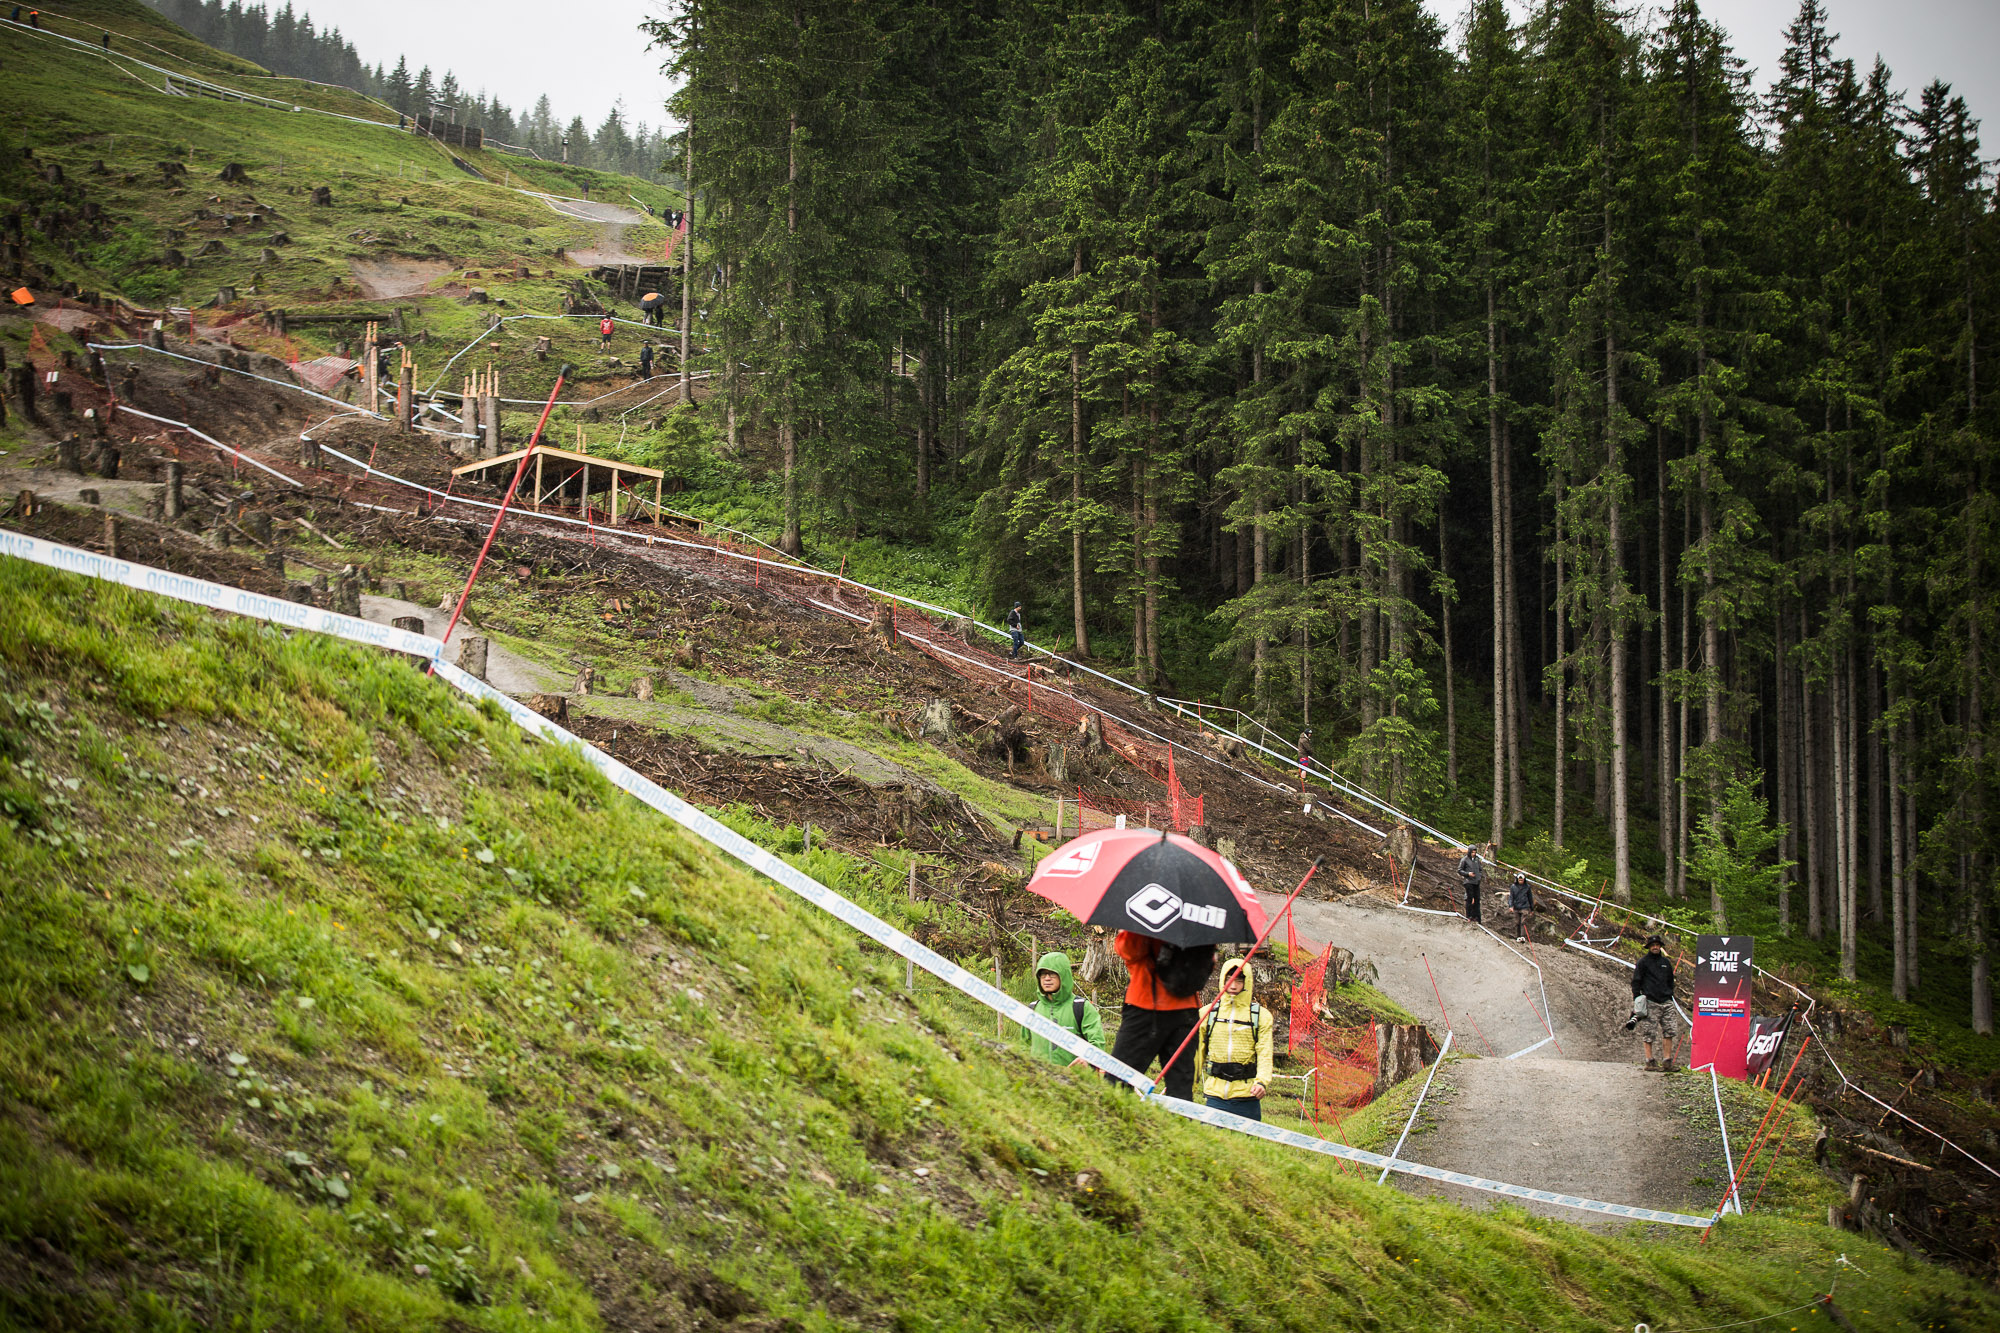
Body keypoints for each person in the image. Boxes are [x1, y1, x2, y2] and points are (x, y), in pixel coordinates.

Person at [1111, 931, 1215, 1101]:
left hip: (1144, 1002)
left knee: (1117, 1082)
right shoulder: (1197, 918)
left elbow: (1129, 951)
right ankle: (1180, 1125)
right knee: (1180, 1091)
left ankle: (1114, 1125)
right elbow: (1207, 963)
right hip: (1187, 1009)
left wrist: (1130, 931)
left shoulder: (1143, 913)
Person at [1194, 958, 1273, 1120]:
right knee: (1211, 1143)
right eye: (1229, 979)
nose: (1233, 985)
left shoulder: (1261, 1017)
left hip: (1247, 1096)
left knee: (1247, 1145)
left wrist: (1262, 1082)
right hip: (1214, 1095)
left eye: (1239, 980)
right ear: (1223, 979)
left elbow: (1265, 1053)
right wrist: (1185, 1082)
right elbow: (1196, 1054)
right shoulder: (1206, 1014)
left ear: (1247, 982)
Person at [1018, 951, 1103, 1067]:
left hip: (1074, 1080)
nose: (1047, 979)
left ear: (1063, 975)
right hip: (1038, 1080)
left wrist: (1087, 1060)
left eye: (1052, 974)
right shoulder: (1033, 1009)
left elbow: (1097, 1042)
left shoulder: (1081, 1007)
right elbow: (1024, 1046)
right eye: (1043, 974)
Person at [1629, 935, 1680, 1072]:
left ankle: (1667, 1061)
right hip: (1650, 1001)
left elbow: (1671, 980)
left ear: (1661, 946)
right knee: (1649, 1032)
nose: (1655, 947)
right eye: (1652, 945)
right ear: (1649, 947)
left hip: (1666, 1001)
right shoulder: (1643, 962)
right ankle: (1649, 1061)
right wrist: (1638, 999)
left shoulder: (1666, 963)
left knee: (1669, 1031)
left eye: (1657, 945)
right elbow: (1636, 981)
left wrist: (1669, 994)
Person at [1457, 845, 1484, 923]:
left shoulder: (1477, 860)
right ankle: (1468, 916)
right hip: (1468, 882)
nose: (1473, 853)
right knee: (1469, 899)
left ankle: (1477, 917)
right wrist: (1468, 874)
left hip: (1476, 882)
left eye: (1475, 852)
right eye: (1472, 852)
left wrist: (1479, 877)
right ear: (1469, 852)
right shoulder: (1464, 860)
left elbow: (1480, 870)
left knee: (1477, 899)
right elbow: (1459, 870)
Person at [1508, 870, 1534, 941]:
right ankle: (1518, 936)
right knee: (1517, 922)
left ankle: (1522, 936)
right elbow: (1511, 897)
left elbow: (1530, 898)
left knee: (1523, 922)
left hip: (1525, 907)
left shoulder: (1527, 887)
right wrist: (1511, 906)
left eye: (1522, 880)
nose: (1521, 881)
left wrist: (1532, 909)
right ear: (1517, 879)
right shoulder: (1513, 887)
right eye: (1519, 880)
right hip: (1516, 907)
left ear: (1524, 879)